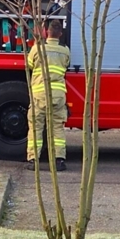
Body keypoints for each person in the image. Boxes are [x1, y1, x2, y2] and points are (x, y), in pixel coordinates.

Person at [26, 20, 70, 172]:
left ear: (47, 32)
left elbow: (29, 65)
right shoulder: (65, 51)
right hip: (58, 96)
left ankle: (33, 161)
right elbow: (66, 65)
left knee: (36, 127)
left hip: (39, 95)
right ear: (60, 34)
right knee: (57, 127)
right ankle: (59, 160)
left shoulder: (37, 49)